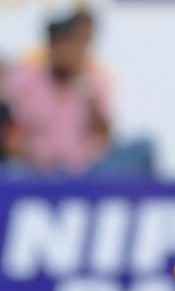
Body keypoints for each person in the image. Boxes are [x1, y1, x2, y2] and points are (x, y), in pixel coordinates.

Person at [4, 16, 111, 174]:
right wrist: (32, 155)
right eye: (59, 45)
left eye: (70, 46)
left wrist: (87, 91)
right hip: (35, 169)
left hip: (81, 170)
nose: (64, 54)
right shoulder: (26, 82)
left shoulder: (92, 83)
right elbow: (11, 135)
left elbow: (105, 135)